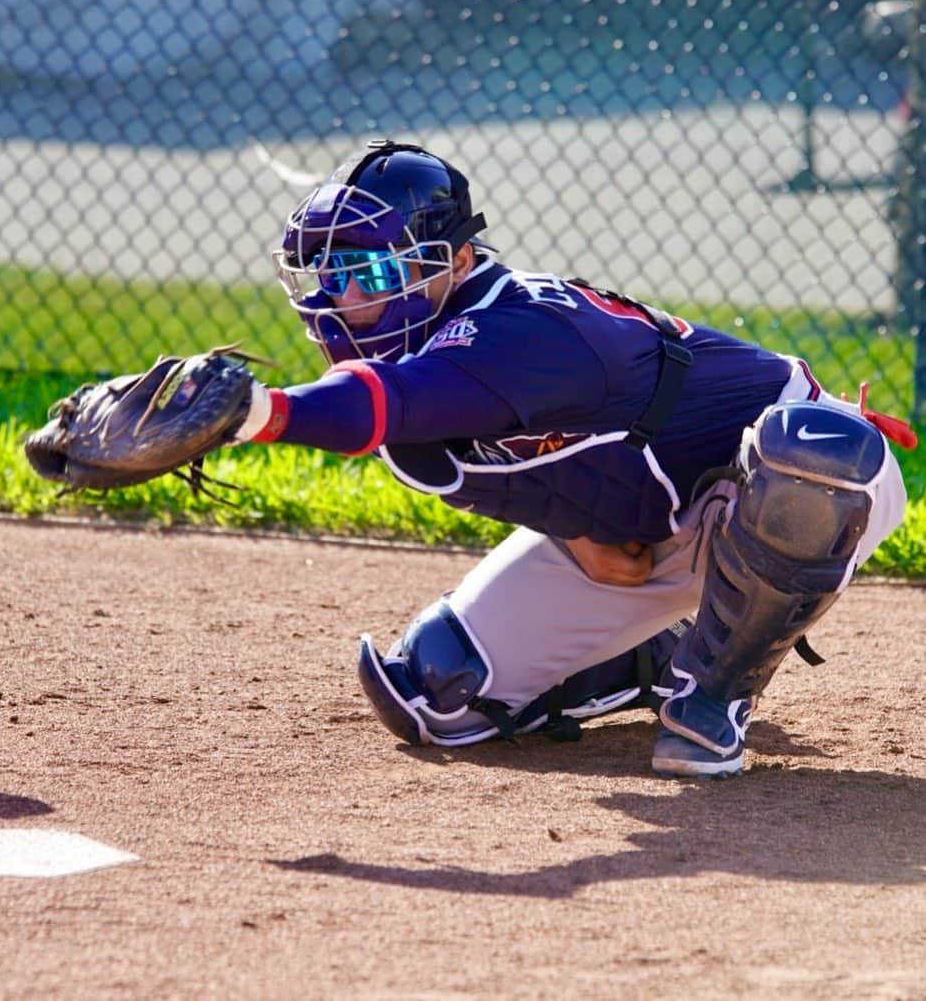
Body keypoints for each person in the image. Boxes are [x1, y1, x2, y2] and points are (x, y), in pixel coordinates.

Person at [227, 138, 914, 778]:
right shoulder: (415, 372)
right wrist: (593, 544)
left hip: (783, 485)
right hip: (655, 516)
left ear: (456, 262)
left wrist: (253, 413)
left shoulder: (519, 326)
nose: (343, 299)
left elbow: (387, 400)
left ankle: (713, 695)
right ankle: (654, 653)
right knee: (436, 686)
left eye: (371, 269)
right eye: (329, 270)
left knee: (808, 459)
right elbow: (572, 502)